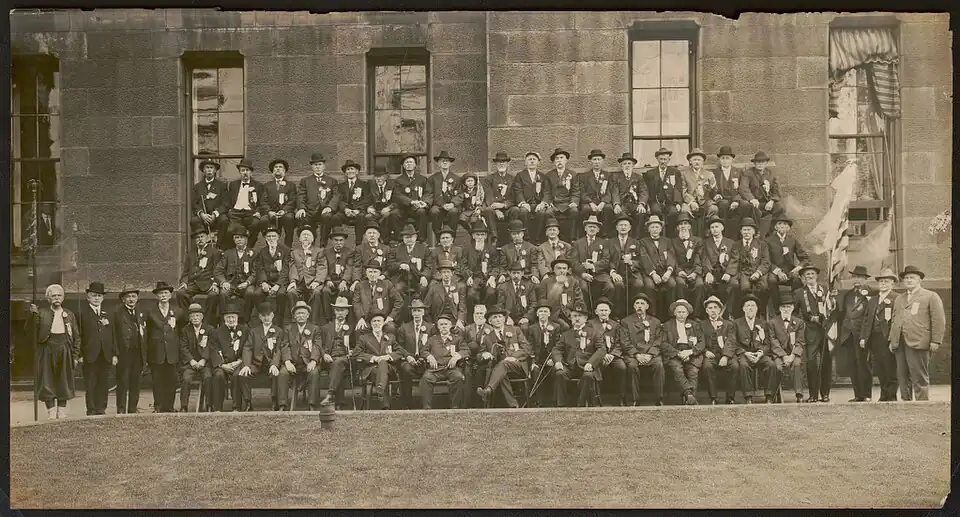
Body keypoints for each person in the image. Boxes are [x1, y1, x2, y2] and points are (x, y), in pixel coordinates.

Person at [888, 265, 945, 402]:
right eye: (906, 278)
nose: (909, 280)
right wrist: (891, 340)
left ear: (920, 280)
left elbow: (938, 320)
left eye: (912, 277)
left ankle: (922, 405)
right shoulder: (899, 298)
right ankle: (906, 405)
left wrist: (936, 340)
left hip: (919, 342)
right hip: (900, 343)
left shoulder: (930, 296)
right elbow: (894, 320)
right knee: (902, 376)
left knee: (919, 376)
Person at [27, 284, 81, 420]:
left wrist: (75, 356)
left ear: (63, 297)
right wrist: (32, 316)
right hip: (47, 349)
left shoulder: (69, 314)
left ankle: (61, 410)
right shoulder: (41, 313)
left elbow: (76, 336)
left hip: (65, 349)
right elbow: (31, 332)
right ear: (48, 298)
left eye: (59, 295)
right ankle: (51, 411)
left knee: (64, 380)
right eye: (53, 296)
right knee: (47, 380)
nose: (57, 298)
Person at [238, 302, 292, 411]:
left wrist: (274, 364)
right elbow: (248, 348)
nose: (266, 318)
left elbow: (278, 350)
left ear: (273, 316)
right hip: (256, 364)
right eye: (263, 315)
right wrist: (247, 365)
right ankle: (248, 402)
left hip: (271, 363)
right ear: (260, 317)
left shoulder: (279, 331)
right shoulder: (253, 331)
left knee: (276, 373)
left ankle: (274, 401)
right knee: (243, 374)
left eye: (268, 315)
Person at [474, 307, 533, 408]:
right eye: (494, 317)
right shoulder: (487, 337)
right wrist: (484, 355)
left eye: (500, 317)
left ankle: (489, 389)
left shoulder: (515, 330)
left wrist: (512, 357)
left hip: (517, 366)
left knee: (502, 365)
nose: (498, 319)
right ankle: (513, 405)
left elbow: (527, 348)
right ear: (490, 321)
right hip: (500, 369)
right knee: (501, 372)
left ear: (504, 319)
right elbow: (479, 355)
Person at [793, 263, 833, 403]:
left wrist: (830, 308)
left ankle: (825, 394)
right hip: (810, 331)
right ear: (804, 277)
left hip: (826, 330)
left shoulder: (825, 290)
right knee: (811, 363)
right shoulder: (799, 293)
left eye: (812, 274)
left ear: (816, 276)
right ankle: (813, 395)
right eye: (807, 274)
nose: (810, 276)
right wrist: (807, 320)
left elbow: (833, 308)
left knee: (826, 362)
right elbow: (794, 314)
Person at [551, 303, 605, 407]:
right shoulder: (566, 334)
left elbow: (601, 350)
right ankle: (561, 405)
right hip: (570, 367)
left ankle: (581, 404)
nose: (577, 319)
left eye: (580, 316)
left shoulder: (594, 333)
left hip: (587, 366)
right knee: (560, 373)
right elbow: (557, 349)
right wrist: (558, 361)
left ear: (585, 318)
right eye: (574, 316)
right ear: (571, 318)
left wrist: (591, 363)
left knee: (588, 376)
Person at [77, 281, 117, 416]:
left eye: (99, 296)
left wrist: (114, 354)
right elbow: (78, 335)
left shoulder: (108, 313)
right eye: (94, 295)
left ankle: (101, 409)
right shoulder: (82, 313)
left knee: (103, 383)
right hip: (89, 354)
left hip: (105, 354)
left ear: (103, 298)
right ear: (88, 297)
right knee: (91, 383)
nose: (97, 298)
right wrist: (80, 354)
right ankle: (91, 409)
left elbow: (113, 335)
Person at [859, 267, 900, 401]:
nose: (883, 284)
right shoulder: (873, 300)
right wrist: (863, 337)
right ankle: (883, 394)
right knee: (879, 367)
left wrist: (893, 339)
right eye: (881, 281)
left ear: (892, 284)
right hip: (874, 338)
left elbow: (898, 320)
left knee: (890, 366)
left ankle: (891, 395)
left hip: (887, 337)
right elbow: (866, 320)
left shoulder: (896, 298)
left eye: (886, 281)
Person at [590, 297, 638, 406]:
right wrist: (602, 355)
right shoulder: (590, 324)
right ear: (596, 312)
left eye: (606, 310)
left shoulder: (616, 325)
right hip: (598, 355)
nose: (603, 313)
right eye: (601, 310)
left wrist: (612, 354)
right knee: (595, 368)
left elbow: (620, 342)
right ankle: (597, 398)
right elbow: (591, 342)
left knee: (622, 367)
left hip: (613, 355)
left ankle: (622, 397)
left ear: (610, 311)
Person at [619, 292, 664, 405]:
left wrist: (650, 354)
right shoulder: (626, 322)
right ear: (634, 306)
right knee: (632, 366)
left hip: (651, 354)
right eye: (637, 303)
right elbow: (625, 341)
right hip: (634, 354)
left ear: (647, 306)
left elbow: (658, 340)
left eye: (642, 304)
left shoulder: (655, 322)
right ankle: (635, 399)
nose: (639, 306)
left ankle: (659, 398)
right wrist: (637, 354)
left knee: (659, 365)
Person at [731, 294, 778, 403]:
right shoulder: (736, 323)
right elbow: (733, 342)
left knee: (771, 365)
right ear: (743, 309)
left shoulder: (763, 323)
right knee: (743, 365)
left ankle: (769, 396)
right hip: (744, 354)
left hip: (759, 354)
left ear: (756, 309)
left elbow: (768, 342)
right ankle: (748, 397)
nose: (750, 308)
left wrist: (761, 352)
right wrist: (744, 353)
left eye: (753, 306)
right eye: (747, 306)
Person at [145, 281, 183, 413]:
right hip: (156, 351)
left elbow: (181, 331)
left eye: (166, 293)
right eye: (160, 293)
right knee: (157, 380)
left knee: (171, 380)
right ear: (157, 296)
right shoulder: (150, 312)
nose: (163, 295)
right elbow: (147, 333)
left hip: (172, 352)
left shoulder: (177, 311)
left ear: (170, 295)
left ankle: (170, 406)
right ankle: (158, 406)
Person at [837, 265, 873, 402]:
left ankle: (866, 394)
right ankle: (857, 394)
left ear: (865, 279)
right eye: (855, 277)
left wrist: (865, 335)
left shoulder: (871, 294)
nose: (857, 280)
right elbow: (843, 313)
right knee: (852, 365)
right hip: (848, 334)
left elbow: (869, 316)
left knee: (863, 364)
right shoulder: (848, 295)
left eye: (860, 277)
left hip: (862, 334)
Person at [355, 312, 403, 409]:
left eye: (379, 321)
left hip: (389, 369)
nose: (376, 323)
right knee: (380, 370)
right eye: (374, 321)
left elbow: (400, 352)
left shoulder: (390, 337)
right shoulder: (364, 338)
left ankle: (380, 388)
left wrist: (388, 356)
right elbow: (356, 353)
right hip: (372, 369)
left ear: (383, 323)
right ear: (371, 323)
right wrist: (373, 358)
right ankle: (384, 404)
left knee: (383, 362)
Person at [419, 314, 467, 409]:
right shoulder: (432, 339)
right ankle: (426, 407)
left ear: (450, 326)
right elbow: (423, 351)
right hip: (435, 369)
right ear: (438, 327)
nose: (444, 326)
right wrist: (429, 356)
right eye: (441, 324)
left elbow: (466, 350)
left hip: (452, 368)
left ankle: (455, 406)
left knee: (458, 377)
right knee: (426, 378)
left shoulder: (457, 339)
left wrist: (456, 357)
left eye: (446, 324)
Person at [660, 299, 704, 405]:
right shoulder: (666, 326)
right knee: (677, 368)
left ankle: (689, 397)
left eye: (683, 312)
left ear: (687, 313)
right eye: (679, 312)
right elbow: (663, 343)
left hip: (691, 352)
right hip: (674, 353)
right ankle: (689, 394)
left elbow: (702, 342)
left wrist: (690, 352)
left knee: (693, 371)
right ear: (674, 313)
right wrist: (678, 353)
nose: (681, 314)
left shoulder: (695, 325)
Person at [175, 223, 221, 324]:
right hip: (194, 283)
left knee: (213, 295)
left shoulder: (215, 252)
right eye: (197, 237)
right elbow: (186, 271)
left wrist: (215, 284)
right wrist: (184, 282)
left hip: (208, 282)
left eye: (202, 236)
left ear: (207, 238)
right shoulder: (191, 254)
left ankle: (207, 323)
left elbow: (218, 271)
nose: (200, 239)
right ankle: (190, 320)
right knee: (180, 293)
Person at [213, 225, 259, 324]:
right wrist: (223, 282)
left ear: (246, 239)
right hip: (231, 284)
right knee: (223, 293)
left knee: (250, 292)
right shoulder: (228, 254)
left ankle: (246, 320)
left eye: (241, 237)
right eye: (236, 238)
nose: (239, 240)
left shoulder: (253, 254)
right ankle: (223, 322)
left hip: (246, 284)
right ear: (234, 240)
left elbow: (255, 272)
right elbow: (218, 270)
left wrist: (247, 282)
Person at [767, 287, 806, 403]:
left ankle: (799, 394)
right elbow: (773, 341)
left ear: (793, 308)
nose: (786, 309)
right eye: (783, 307)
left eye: (788, 307)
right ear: (779, 308)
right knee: (777, 367)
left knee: (797, 364)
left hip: (793, 354)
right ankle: (771, 395)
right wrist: (784, 356)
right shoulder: (772, 323)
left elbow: (800, 341)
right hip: (779, 354)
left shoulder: (799, 322)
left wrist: (792, 356)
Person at [394, 299, 436, 408]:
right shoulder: (404, 328)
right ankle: (407, 403)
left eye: (419, 311)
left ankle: (426, 403)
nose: (417, 314)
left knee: (428, 372)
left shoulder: (431, 327)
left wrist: (426, 357)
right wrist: (408, 356)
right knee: (405, 369)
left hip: (424, 359)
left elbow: (433, 345)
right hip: (409, 359)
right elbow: (399, 346)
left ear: (423, 312)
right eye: (414, 311)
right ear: (411, 313)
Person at [112, 284, 147, 413]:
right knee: (122, 382)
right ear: (123, 299)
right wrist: (115, 353)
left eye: (133, 296)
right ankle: (121, 409)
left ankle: (132, 408)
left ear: (137, 298)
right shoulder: (117, 312)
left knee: (136, 382)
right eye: (128, 297)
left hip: (138, 353)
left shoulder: (141, 312)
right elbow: (113, 335)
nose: (131, 299)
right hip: (124, 353)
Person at [726, 217, 771, 318]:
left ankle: (760, 311)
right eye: (744, 230)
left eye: (749, 230)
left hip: (758, 271)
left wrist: (758, 273)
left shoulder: (762, 244)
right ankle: (744, 312)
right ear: (741, 232)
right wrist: (729, 273)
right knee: (744, 287)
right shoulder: (736, 245)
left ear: (754, 231)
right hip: (743, 272)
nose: (746, 232)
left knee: (763, 287)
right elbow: (734, 260)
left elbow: (766, 261)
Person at [524, 299, 564, 407]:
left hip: (550, 359)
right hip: (538, 360)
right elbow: (530, 347)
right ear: (537, 314)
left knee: (557, 372)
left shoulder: (556, 327)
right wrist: (533, 362)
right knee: (535, 372)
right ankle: (539, 402)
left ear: (549, 314)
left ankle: (555, 401)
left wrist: (553, 359)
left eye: (545, 311)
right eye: (540, 311)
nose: (543, 314)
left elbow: (557, 346)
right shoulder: (532, 328)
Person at [295, 153, 340, 248]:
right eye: (315, 165)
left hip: (325, 211)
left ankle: (323, 245)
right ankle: (309, 245)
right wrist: (302, 208)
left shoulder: (332, 181)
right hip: (310, 210)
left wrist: (330, 207)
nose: (318, 167)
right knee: (303, 217)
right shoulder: (305, 181)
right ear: (312, 167)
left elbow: (336, 196)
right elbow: (301, 196)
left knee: (327, 217)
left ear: (324, 166)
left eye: (320, 164)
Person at [699, 296, 738, 404]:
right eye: (710, 308)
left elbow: (731, 341)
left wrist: (726, 356)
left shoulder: (728, 324)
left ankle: (730, 397)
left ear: (720, 310)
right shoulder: (701, 325)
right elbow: (699, 341)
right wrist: (705, 351)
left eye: (715, 307)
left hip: (725, 354)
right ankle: (713, 397)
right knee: (707, 367)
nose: (713, 310)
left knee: (734, 366)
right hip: (710, 354)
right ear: (706, 311)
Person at [319, 297, 357, 408]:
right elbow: (319, 345)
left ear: (347, 312)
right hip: (329, 358)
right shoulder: (326, 328)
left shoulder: (352, 328)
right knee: (337, 366)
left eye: (343, 310)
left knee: (338, 363)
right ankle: (338, 403)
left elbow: (357, 345)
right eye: (338, 310)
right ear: (334, 311)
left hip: (345, 358)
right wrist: (324, 354)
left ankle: (330, 395)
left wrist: (352, 351)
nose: (340, 313)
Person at [637, 215, 677, 320]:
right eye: (652, 227)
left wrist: (669, 271)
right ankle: (652, 314)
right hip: (649, 273)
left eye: (657, 227)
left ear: (661, 229)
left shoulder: (667, 241)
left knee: (672, 284)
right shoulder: (643, 242)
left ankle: (671, 314)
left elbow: (671, 256)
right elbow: (644, 258)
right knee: (649, 286)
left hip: (665, 271)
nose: (655, 229)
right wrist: (653, 274)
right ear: (648, 229)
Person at [570, 214, 614, 309]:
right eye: (590, 226)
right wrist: (582, 273)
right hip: (581, 274)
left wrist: (593, 266)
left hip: (599, 273)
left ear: (598, 230)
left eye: (594, 227)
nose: (592, 229)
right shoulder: (577, 243)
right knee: (583, 287)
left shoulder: (604, 243)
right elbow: (573, 261)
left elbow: (606, 259)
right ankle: (586, 311)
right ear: (585, 228)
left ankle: (602, 308)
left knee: (609, 286)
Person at [285, 301, 323, 410]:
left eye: (303, 313)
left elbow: (317, 346)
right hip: (293, 363)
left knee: (314, 373)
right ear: (294, 316)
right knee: (283, 373)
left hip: (308, 362)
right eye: (298, 313)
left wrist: (313, 361)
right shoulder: (288, 329)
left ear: (308, 315)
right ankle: (282, 405)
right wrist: (287, 361)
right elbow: (284, 346)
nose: (300, 315)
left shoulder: (315, 328)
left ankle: (312, 404)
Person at [737, 151, 785, 237]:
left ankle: (771, 232)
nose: (760, 164)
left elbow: (777, 190)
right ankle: (757, 231)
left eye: (762, 162)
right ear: (754, 163)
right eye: (758, 162)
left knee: (779, 208)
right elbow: (743, 188)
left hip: (766, 202)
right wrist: (752, 199)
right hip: (754, 202)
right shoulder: (748, 173)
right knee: (754, 210)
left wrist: (772, 201)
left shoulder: (770, 174)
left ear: (766, 163)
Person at [208, 303, 246, 412]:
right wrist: (222, 365)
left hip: (238, 363)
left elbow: (248, 348)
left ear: (237, 317)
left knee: (237, 375)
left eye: (233, 317)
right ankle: (217, 408)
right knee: (218, 375)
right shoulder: (216, 332)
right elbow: (213, 349)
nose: (231, 320)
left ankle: (236, 407)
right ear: (224, 318)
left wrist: (240, 361)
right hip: (222, 364)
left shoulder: (245, 330)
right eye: (228, 317)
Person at [509, 151, 552, 243]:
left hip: (538, 203)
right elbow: (518, 190)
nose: (532, 161)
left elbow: (547, 192)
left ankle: (537, 238)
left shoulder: (543, 176)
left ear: (538, 162)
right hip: (526, 203)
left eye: (534, 159)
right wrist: (523, 203)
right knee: (523, 212)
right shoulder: (520, 175)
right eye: (529, 159)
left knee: (541, 212)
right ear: (525, 162)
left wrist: (543, 203)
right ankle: (526, 238)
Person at [607, 214, 644, 319]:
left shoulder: (636, 242)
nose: (623, 227)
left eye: (625, 225)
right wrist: (613, 272)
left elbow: (642, 260)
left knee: (639, 284)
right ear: (616, 227)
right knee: (618, 285)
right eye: (621, 225)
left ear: (630, 227)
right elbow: (607, 259)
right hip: (617, 272)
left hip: (632, 272)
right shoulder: (609, 242)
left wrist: (632, 262)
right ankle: (618, 315)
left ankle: (634, 313)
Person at [178, 303, 214, 412]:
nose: (195, 318)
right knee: (186, 379)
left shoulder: (209, 329)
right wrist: (191, 360)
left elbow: (211, 346)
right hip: (191, 363)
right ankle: (184, 406)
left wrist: (204, 360)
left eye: (197, 315)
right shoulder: (185, 330)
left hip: (204, 363)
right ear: (189, 318)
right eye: (192, 316)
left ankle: (209, 405)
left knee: (208, 377)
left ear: (202, 316)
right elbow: (183, 347)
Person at [352, 259, 402, 336]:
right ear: (366, 273)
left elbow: (399, 301)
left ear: (379, 273)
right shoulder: (360, 285)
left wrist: (390, 317)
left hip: (383, 320)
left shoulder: (387, 284)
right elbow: (356, 303)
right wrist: (360, 318)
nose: (372, 275)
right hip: (367, 320)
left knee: (391, 328)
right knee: (360, 329)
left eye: (375, 272)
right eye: (370, 272)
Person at [287, 226, 325, 324]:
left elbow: (322, 267)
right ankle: (295, 320)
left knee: (316, 293)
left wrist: (317, 281)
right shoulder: (294, 252)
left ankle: (313, 321)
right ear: (299, 239)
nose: (306, 237)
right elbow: (293, 267)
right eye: (303, 235)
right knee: (291, 292)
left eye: (308, 235)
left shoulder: (319, 251)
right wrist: (293, 281)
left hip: (313, 281)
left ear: (312, 239)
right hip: (299, 282)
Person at [225, 158, 267, 248]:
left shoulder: (258, 185)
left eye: (247, 170)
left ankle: (248, 248)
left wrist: (258, 211)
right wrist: (229, 210)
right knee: (230, 230)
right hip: (236, 213)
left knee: (256, 225)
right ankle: (234, 250)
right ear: (239, 172)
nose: (245, 173)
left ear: (251, 173)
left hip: (251, 213)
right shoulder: (233, 184)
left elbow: (262, 202)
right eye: (243, 170)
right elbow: (228, 201)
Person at [388, 223, 431, 309]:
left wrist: (424, 276)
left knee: (423, 288)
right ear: (403, 238)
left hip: (418, 278)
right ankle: (402, 309)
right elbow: (390, 265)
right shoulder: (397, 249)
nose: (409, 239)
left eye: (411, 237)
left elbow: (429, 266)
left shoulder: (424, 249)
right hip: (402, 279)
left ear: (416, 237)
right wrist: (400, 265)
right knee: (397, 288)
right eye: (406, 237)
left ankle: (418, 310)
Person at [190, 157, 230, 249]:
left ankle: (219, 246)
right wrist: (202, 214)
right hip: (203, 217)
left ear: (215, 170)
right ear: (203, 170)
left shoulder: (221, 186)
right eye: (207, 168)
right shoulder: (197, 187)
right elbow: (194, 204)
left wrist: (215, 214)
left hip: (217, 216)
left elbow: (226, 203)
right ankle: (201, 245)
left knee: (225, 220)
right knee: (194, 221)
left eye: (211, 168)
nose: (209, 170)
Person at [644, 147, 684, 238]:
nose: (663, 162)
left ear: (669, 160)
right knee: (656, 211)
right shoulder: (650, 173)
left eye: (665, 159)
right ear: (657, 159)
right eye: (661, 159)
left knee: (673, 212)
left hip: (670, 202)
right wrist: (648, 204)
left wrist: (678, 203)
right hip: (655, 201)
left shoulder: (675, 172)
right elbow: (647, 190)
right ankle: (659, 236)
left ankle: (671, 236)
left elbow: (678, 188)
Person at [579, 149, 619, 238]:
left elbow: (610, 191)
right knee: (585, 209)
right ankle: (586, 235)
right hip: (589, 202)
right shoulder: (584, 176)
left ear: (602, 161)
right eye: (594, 159)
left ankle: (606, 234)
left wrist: (603, 202)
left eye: (599, 159)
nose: (597, 162)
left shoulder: (608, 175)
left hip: (603, 201)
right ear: (591, 161)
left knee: (608, 208)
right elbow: (582, 192)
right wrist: (590, 203)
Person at [255, 226, 291, 325]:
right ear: (265, 238)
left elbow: (286, 269)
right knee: (257, 294)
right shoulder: (262, 251)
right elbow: (260, 268)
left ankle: (279, 318)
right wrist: (264, 282)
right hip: (267, 281)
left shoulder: (285, 250)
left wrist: (278, 284)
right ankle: (263, 317)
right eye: (269, 236)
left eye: (274, 236)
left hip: (280, 282)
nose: (271, 239)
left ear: (278, 237)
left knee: (281, 294)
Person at [671, 213, 705, 318]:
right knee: (680, 284)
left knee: (699, 285)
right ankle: (683, 314)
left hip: (694, 270)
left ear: (690, 226)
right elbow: (672, 259)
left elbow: (699, 257)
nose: (683, 226)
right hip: (680, 271)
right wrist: (679, 271)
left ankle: (696, 315)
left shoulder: (697, 241)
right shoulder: (673, 242)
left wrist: (695, 272)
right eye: (681, 224)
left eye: (685, 223)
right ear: (677, 227)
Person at [545, 148, 581, 242]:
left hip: (568, 203)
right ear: (554, 162)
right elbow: (547, 192)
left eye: (561, 158)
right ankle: (553, 237)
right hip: (555, 203)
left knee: (574, 211)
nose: (559, 160)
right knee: (548, 212)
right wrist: (549, 202)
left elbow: (576, 191)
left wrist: (574, 202)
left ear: (566, 160)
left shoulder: (573, 174)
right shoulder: (549, 175)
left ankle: (572, 237)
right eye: (557, 159)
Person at [462, 221, 501, 310]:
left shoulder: (491, 249)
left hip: (487, 278)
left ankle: (489, 314)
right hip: (474, 278)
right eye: (477, 235)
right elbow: (463, 265)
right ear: (473, 236)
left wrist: (492, 277)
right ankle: (473, 316)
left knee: (491, 293)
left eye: (482, 235)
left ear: (486, 236)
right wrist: (468, 276)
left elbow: (496, 266)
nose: (480, 237)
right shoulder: (467, 249)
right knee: (471, 294)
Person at [318, 227, 354, 324]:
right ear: (331, 241)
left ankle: (344, 320)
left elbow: (349, 267)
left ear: (344, 241)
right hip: (331, 280)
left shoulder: (349, 252)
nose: (338, 243)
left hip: (342, 281)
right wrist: (327, 280)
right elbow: (323, 267)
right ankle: (329, 319)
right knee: (325, 291)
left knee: (344, 291)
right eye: (336, 240)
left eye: (341, 240)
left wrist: (344, 281)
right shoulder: (326, 252)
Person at [391, 153, 431, 240]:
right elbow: (397, 195)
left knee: (422, 212)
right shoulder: (398, 180)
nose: (409, 164)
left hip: (418, 207)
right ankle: (399, 239)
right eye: (406, 162)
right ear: (403, 166)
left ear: (415, 165)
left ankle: (421, 239)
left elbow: (428, 192)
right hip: (403, 208)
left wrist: (424, 202)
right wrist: (411, 202)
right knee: (394, 214)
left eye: (411, 162)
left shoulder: (422, 179)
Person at [261, 159, 298, 248]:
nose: (278, 169)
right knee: (264, 220)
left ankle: (288, 247)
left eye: (280, 167)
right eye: (276, 167)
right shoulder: (267, 185)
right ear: (273, 171)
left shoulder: (291, 185)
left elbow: (293, 200)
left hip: (285, 213)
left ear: (284, 171)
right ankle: (270, 246)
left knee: (289, 218)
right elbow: (263, 201)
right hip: (271, 213)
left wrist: (284, 210)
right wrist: (269, 211)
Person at [700, 216, 736, 304]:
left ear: (722, 228)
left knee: (734, 284)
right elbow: (704, 258)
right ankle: (710, 308)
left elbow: (735, 259)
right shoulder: (705, 242)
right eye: (712, 227)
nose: (714, 229)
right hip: (712, 272)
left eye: (717, 227)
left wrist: (729, 273)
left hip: (726, 272)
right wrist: (708, 272)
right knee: (706, 285)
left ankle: (727, 309)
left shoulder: (731, 243)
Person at [427, 151, 462, 243]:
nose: (445, 162)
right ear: (438, 163)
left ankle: (451, 238)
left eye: (447, 161)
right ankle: (439, 238)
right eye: (442, 161)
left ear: (450, 163)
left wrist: (452, 203)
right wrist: (442, 204)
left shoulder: (456, 178)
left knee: (454, 212)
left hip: (451, 205)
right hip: (438, 205)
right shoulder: (432, 178)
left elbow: (460, 194)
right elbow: (429, 193)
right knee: (434, 211)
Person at [483, 152, 516, 244]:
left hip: (508, 207)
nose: (501, 164)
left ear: (508, 164)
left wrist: (504, 205)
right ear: (496, 164)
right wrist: (496, 210)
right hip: (494, 207)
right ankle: (494, 237)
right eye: (499, 162)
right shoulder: (489, 178)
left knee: (516, 210)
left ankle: (512, 237)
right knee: (488, 210)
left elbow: (514, 196)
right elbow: (489, 196)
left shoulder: (513, 179)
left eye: (504, 161)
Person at [614, 152, 649, 239]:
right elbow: (615, 192)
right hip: (622, 204)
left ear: (633, 165)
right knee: (621, 214)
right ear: (621, 166)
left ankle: (637, 238)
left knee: (641, 213)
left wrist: (641, 204)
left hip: (635, 204)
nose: (627, 165)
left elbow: (643, 191)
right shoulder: (616, 177)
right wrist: (616, 204)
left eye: (629, 163)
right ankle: (625, 238)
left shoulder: (638, 177)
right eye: (624, 163)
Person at [712, 146, 744, 240]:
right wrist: (715, 194)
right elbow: (712, 188)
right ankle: (725, 235)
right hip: (722, 199)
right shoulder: (715, 173)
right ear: (719, 160)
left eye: (727, 158)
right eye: (723, 158)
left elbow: (742, 188)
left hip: (735, 198)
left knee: (745, 205)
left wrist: (736, 201)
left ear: (732, 159)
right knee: (724, 205)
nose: (725, 160)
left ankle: (739, 233)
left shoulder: (738, 172)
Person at [336, 160, 371, 244]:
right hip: (345, 213)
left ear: (357, 171)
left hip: (358, 212)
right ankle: (338, 242)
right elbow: (339, 200)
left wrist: (358, 210)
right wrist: (345, 209)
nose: (350, 171)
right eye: (348, 169)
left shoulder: (364, 185)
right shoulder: (340, 186)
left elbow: (366, 200)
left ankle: (358, 243)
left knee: (361, 217)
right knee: (335, 217)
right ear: (345, 173)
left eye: (352, 169)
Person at [365, 168, 403, 244]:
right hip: (377, 210)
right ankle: (374, 239)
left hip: (391, 209)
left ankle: (387, 239)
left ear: (385, 177)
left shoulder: (392, 185)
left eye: (381, 176)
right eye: (376, 177)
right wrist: (369, 208)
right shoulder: (371, 186)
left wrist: (389, 208)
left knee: (388, 215)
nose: (378, 179)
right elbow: (367, 200)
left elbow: (397, 200)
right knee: (368, 217)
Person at [498, 220, 541, 284]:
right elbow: (503, 266)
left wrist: (534, 275)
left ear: (523, 234)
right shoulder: (504, 249)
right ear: (511, 235)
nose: (516, 236)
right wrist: (502, 275)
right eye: (514, 234)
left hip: (527, 277)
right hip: (510, 278)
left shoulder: (531, 248)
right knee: (501, 286)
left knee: (536, 286)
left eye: (518, 233)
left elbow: (534, 265)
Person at [496, 263, 535, 329]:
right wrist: (506, 317)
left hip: (523, 317)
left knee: (524, 327)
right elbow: (500, 305)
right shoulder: (503, 287)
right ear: (509, 273)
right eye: (514, 273)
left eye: (518, 273)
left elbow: (533, 304)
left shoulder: (529, 286)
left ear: (522, 273)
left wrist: (526, 317)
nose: (516, 275)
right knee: (508, 328)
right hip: (509, 318)